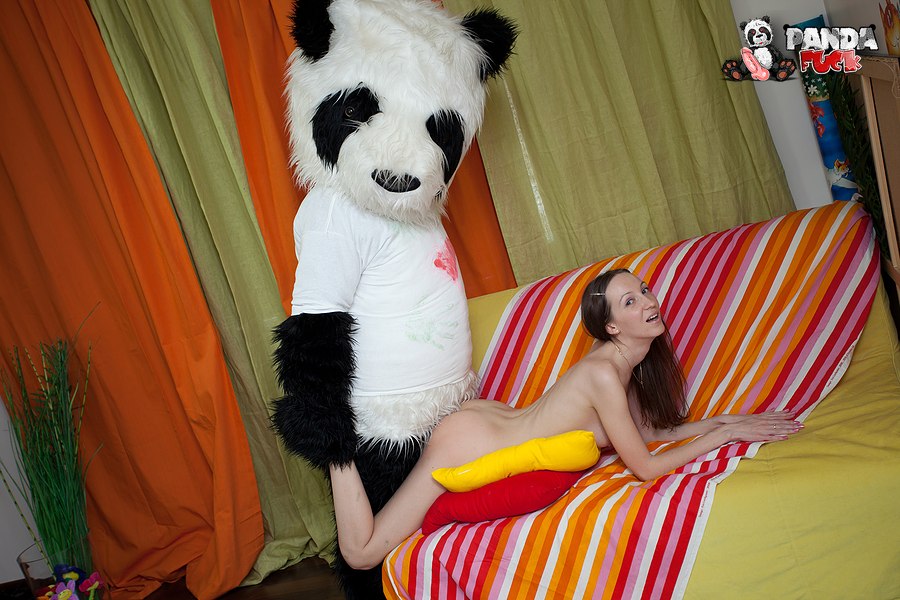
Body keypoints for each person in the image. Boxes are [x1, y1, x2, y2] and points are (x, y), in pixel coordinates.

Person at [330, 269, 802, 569]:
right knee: (362, 553)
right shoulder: (604, 374)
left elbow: (652, 433)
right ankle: (331, 435)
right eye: (630, 302)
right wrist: (725, 437)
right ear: (612, 327)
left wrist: (726, 422)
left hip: (496, 419)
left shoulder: (621, 364)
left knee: (386, 515)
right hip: (471, 441)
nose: (648, 300)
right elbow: (647, 466)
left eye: (642, 290)